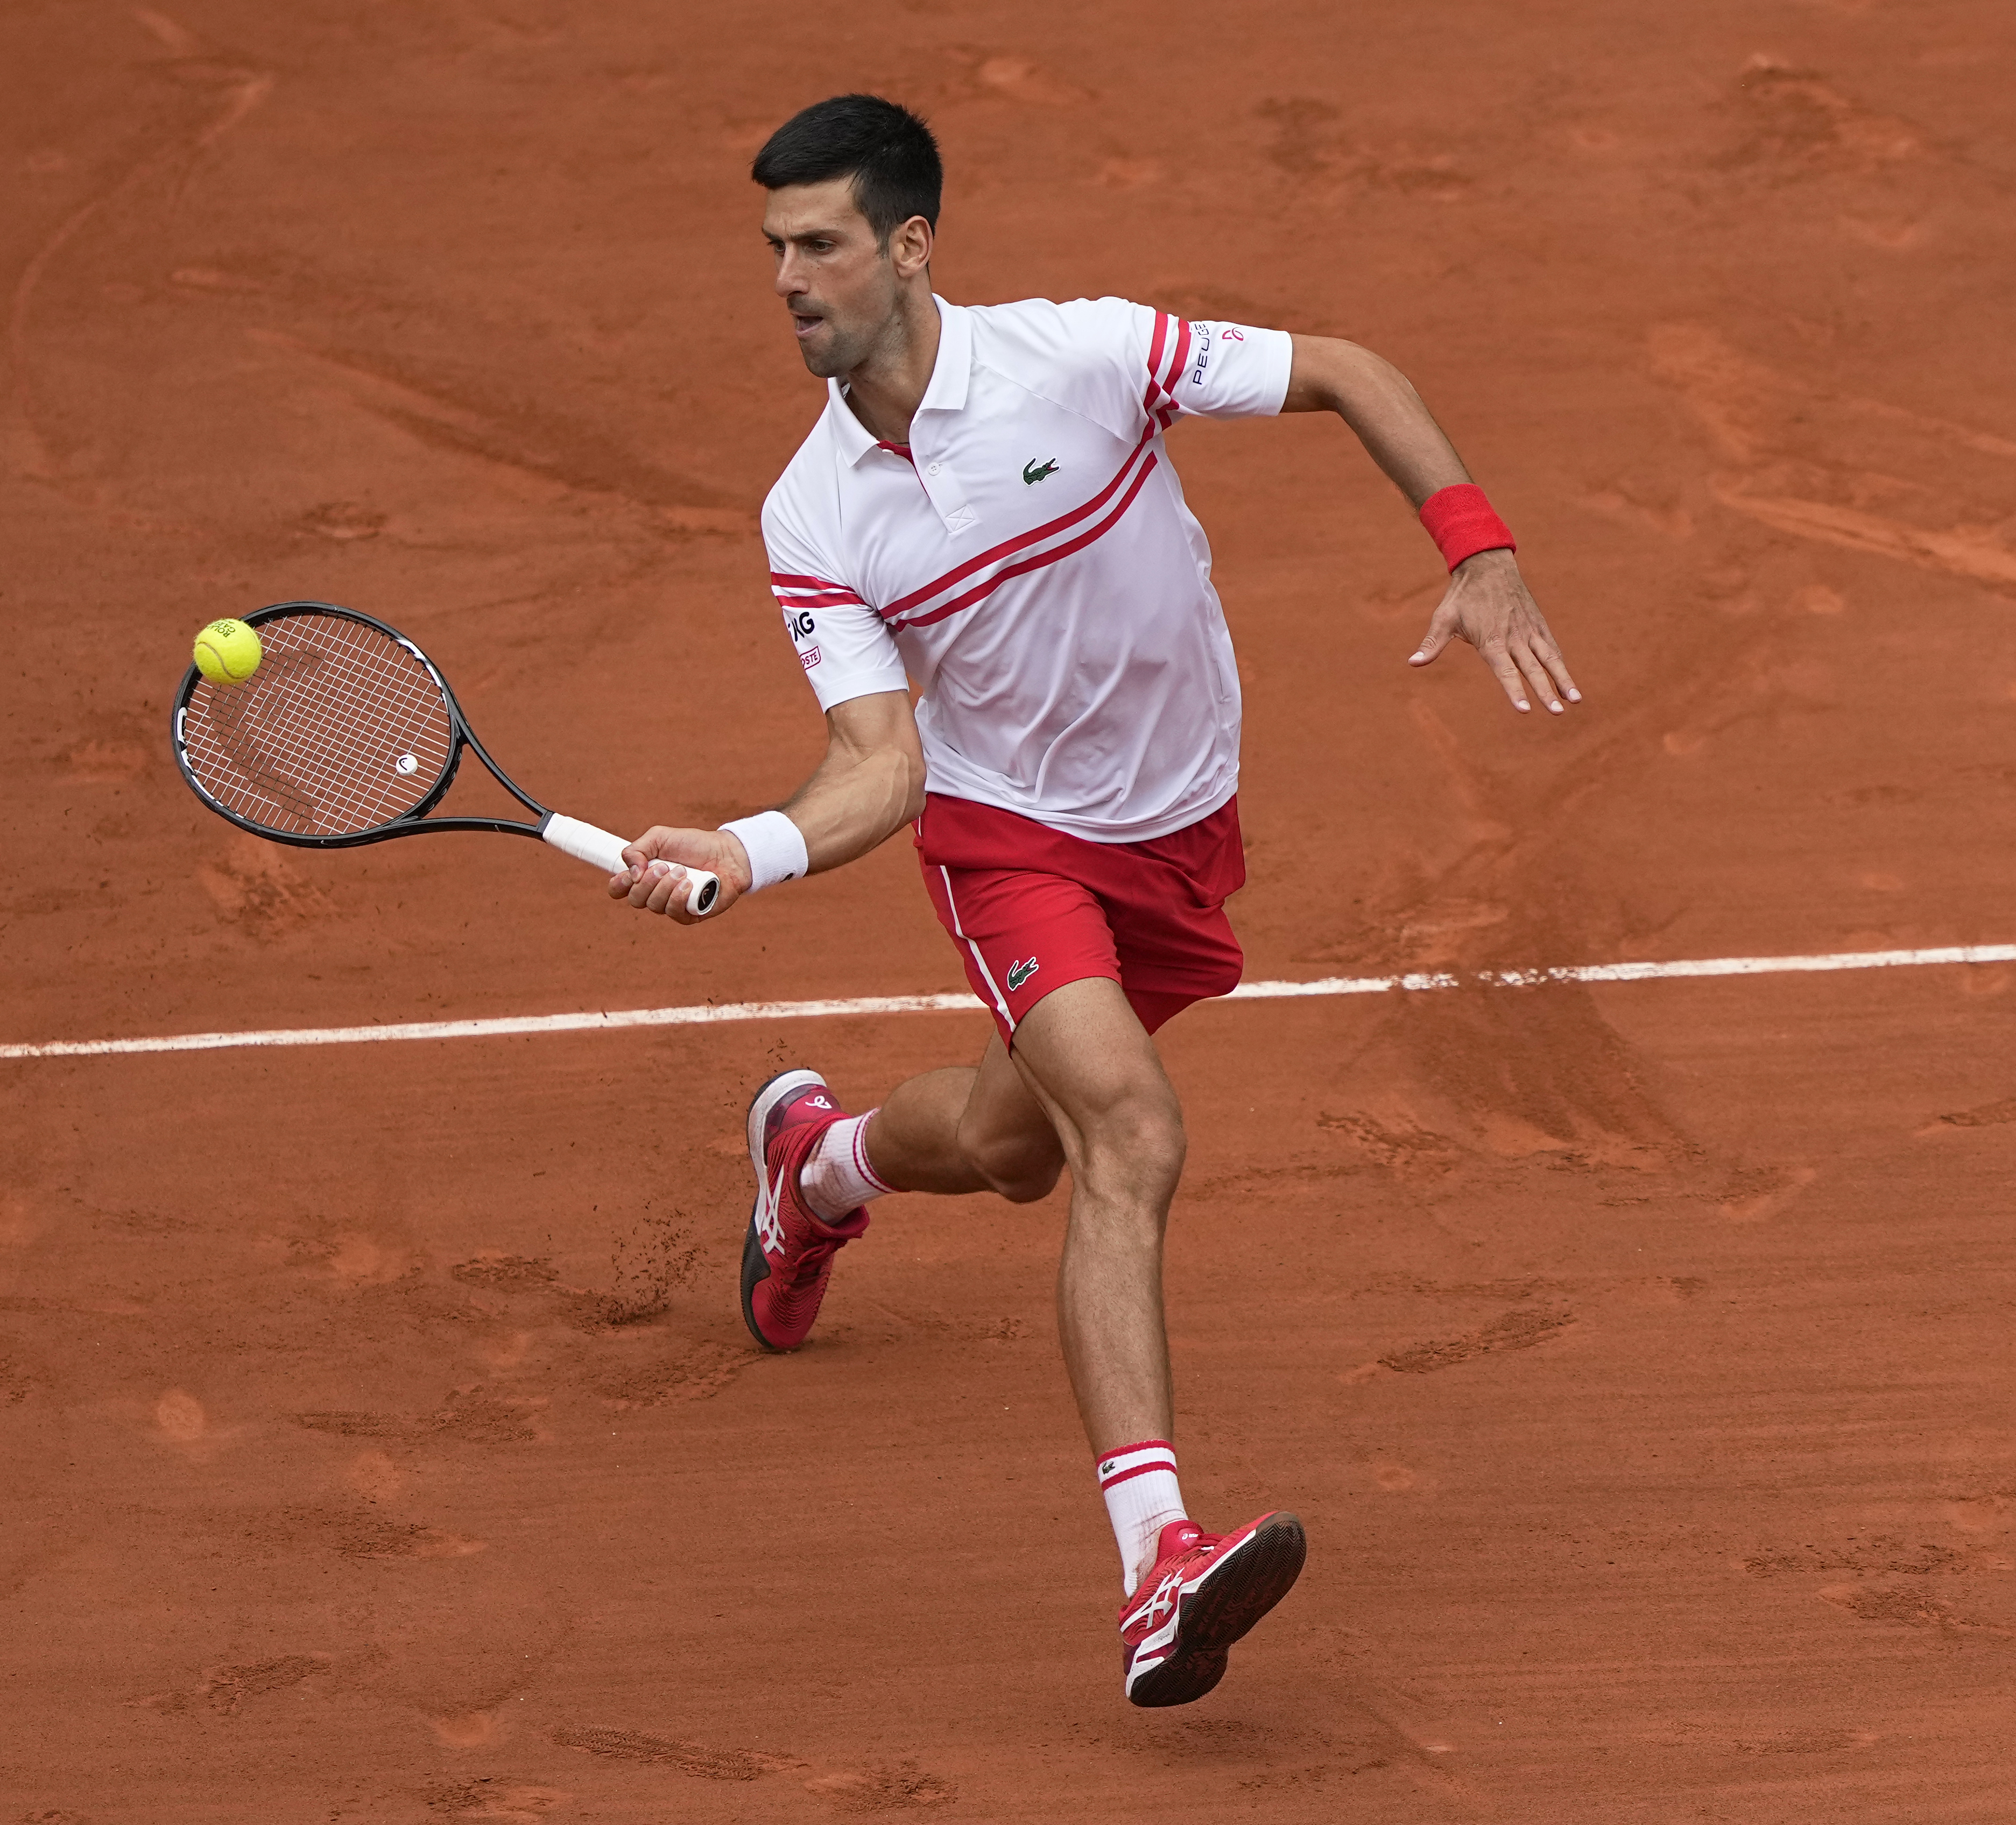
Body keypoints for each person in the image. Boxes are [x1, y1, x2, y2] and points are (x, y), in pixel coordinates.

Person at [607, 94, 1578, 1708]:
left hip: (1180, 835)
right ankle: (1159, 1565)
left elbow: (1345, 368)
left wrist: (1474, 548)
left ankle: (820, 1165)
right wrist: (743, 847)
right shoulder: (815, 512)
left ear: (910, 247)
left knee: (1009, 1148)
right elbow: (880, 764)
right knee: (1126, 1130)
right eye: (773, 248)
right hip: (1013, 844)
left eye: (820, 243)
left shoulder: (1083, 355)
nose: (788, 277)